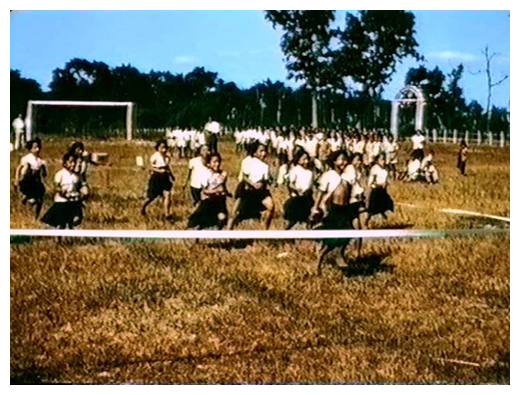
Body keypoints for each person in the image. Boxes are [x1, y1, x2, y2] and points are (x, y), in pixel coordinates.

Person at [311, 150, 354, 273]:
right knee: (334, 239)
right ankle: (321, 258)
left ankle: (338, 254)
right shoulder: (329, 175)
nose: (344, 162)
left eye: (345, 159)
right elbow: (321, 193)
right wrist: (316, 208)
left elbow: (349, 192)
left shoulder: (347, 176)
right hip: (333, 209)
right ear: (334, 161)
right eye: (341, 159)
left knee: (348, 233)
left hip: (345, 209)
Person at [227, 142, 275, 230]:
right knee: (235, 213)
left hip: (259, 191)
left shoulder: (265, 166)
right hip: (246, 190)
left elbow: (266, 179)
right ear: (254, 153)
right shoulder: (247, 161)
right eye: (261, 151)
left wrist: (269, 181)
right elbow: (245, 177)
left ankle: (264, 229)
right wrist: (253, 184)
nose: (264, 153)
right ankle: (228, 231)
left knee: (271, 206)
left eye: (265, 151)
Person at [41, 153, 85, 229]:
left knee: (76, 220)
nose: (73, 164)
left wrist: (83, 193)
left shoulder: (77, 176)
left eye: (74, 162)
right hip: (62, 202)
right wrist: (62, 192)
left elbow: (82, 186)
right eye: (70, 162)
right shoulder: (60, 174)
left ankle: (69, 236)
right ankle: (59, 239)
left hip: (73, 201)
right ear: (65, 163)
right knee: (61, 224)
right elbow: (56, 187)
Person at [188, 152, 229, 230]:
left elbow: (223, 186)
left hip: (220, 201)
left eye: (218, 161)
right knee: (203, 222)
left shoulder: (223, 174)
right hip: (208, 201)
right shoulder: (206, 174)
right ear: (209, 164)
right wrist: (216, 191)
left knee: (222, 218)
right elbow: (205, 191)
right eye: (214, 162)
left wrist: (226, 192)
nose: (217, 164)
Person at [141, 139, 175, 220]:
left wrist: (171, 175)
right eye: (162, 147)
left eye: (165, 148)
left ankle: (167, 214)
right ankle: (144, 206)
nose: (164, 150)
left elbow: (167, 167)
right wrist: (159, 171)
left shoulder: (167, 158)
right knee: (152, 197)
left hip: (165, 177)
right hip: (156, 177)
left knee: (168, 195)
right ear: (158, 148)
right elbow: (149, 167)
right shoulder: (154, 157)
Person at [14, 138, 47, 219]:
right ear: (30, 149)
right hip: (27, 180)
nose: (37, 149)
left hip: (36, 181)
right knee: (32, 200)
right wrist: (17, 178)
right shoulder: (27, 158)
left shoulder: (40, 160)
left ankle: (35, 216)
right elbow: (19, 168)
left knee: (39, 199)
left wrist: (44, 172)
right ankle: (25, 206)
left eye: (38, 147)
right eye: (35, 147)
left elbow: (43, 170)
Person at [283, 150, 315, 230]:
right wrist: (297, 190)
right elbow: (290, 184)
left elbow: (310, 184)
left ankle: (308, 232)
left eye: (307, 159)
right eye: (304, 159)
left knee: (310, 216)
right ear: (298, 159)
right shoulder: (295, 170)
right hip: (297, 197)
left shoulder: (310, 172)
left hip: (307, 197)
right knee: (293, 219)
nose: (306, 161)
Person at [367, 155, 394, 222]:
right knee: (374, 207)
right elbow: (371, 182)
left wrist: (387, 183)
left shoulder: (385, 169)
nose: (383, 161)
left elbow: (387, 179)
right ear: (377, 160)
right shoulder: (374, 169)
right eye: (381, 160)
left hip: (383, 190)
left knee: (386, 205)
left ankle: (384, 218)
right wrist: (378, 184)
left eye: (384, 159)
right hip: (376, 190)